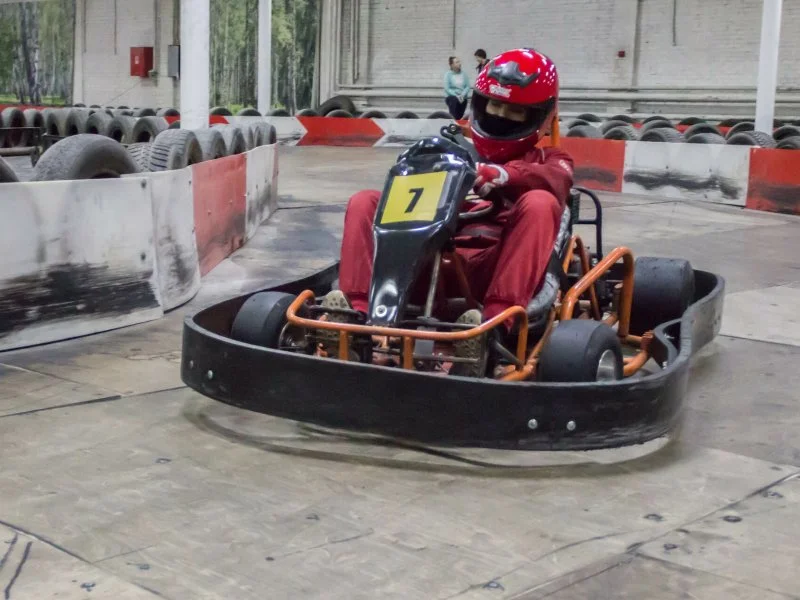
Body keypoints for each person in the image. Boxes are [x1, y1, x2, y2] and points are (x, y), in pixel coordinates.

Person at [322, 48, 575, 376]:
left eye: (514, 112)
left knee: (541, 203)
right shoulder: (451, 150)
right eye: (495, 106)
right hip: (422, 259)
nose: (500, 116)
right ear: (479, 105)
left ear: (538, 117)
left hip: (490, 271)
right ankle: (356, 321)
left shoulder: (551, 161)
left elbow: (557, 181)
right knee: (365, 201)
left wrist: (504, 176)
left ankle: (490, 330)